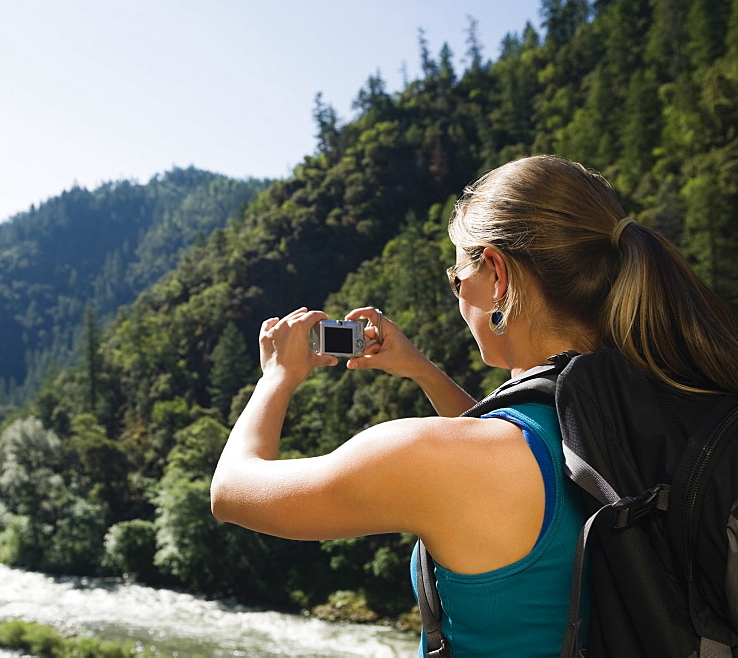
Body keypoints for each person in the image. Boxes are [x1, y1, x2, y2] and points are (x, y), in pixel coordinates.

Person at [209, 155, 738, 656]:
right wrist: (419, 369)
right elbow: (520, 445)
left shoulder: (428, 457)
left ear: (498, 275)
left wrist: (277, 377)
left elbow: (233, 491)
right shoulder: (665, 403)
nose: (458, 297)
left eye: (458, 278)